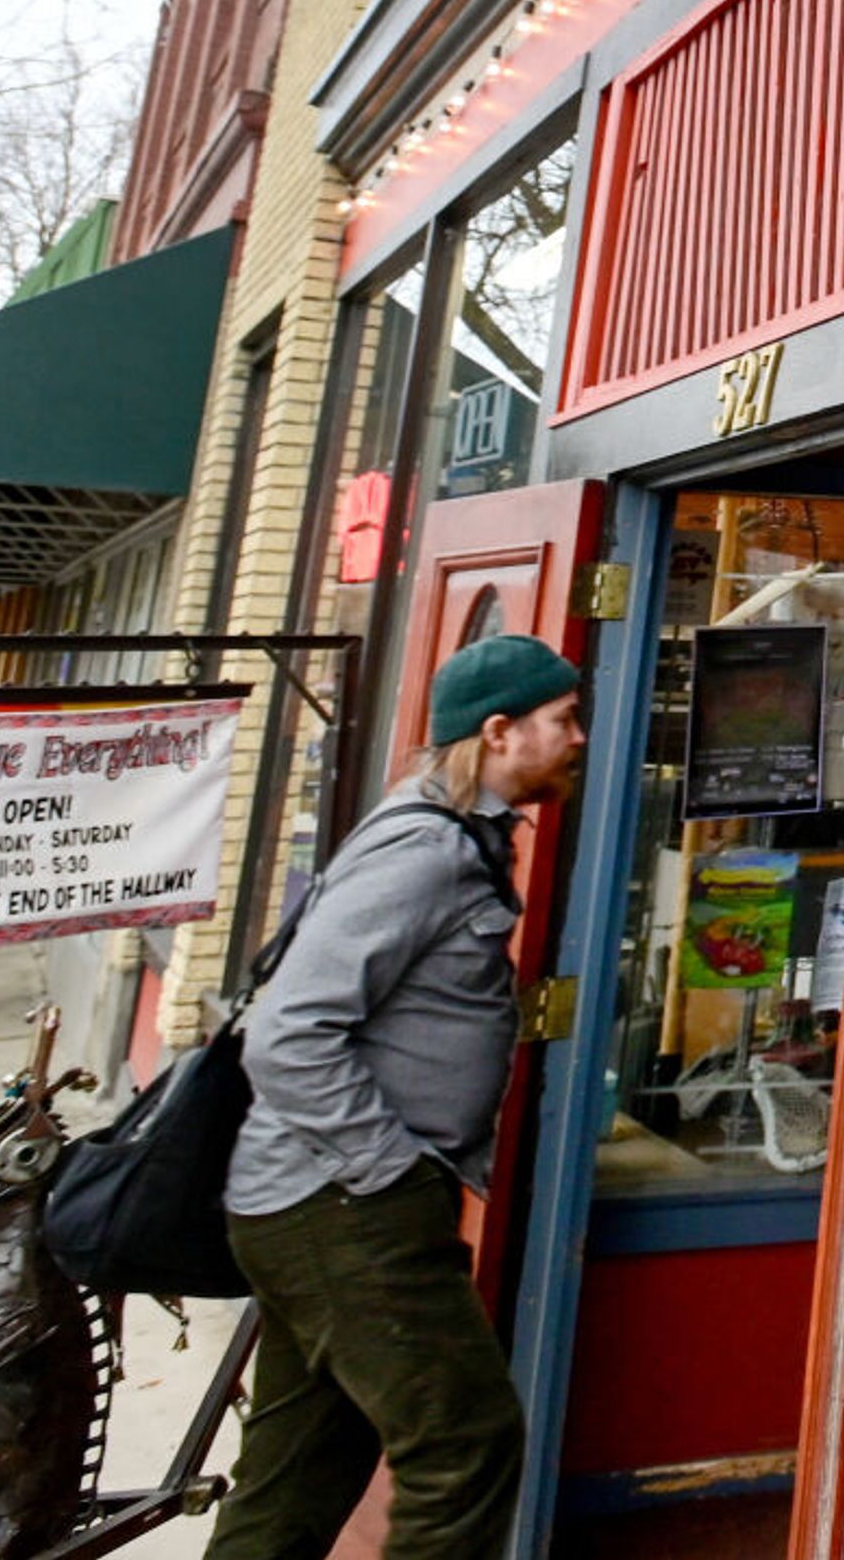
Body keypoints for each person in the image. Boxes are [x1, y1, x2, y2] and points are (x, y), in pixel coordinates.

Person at [204, 634, 590, 1560]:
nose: (580, 736)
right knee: (467, 1440)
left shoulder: (458, 833)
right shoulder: (423, 848)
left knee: (298, 1476)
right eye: (563, 719)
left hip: (318, 1205)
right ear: (499, 732)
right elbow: (287, 1032)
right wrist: (392, 1171)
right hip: (342, 1207)